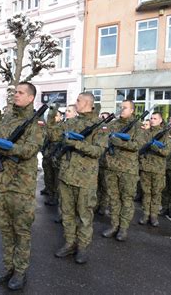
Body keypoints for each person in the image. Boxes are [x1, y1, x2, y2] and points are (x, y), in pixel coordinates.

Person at [0, 82, 43, 290]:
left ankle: (20, 271)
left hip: (21, 186)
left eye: (20, 92)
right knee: (5, 230)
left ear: (31, 98)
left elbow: (28, 151)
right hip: (1, 183)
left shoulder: (36, 123)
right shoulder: (7, 118)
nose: (15, 95)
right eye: (15, 92)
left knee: (21, 231)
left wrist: (5, 148)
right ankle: (8, 267)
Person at [51, 93, 103, 265]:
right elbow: (53, 135)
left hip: (85, 179)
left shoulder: (99, 126)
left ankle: (82, 247)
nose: (75, 103)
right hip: (66, 176)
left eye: (78, 100)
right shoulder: (72, 122)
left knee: (84, 215)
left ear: (88, 103)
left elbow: (97, 151)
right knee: (67, 213)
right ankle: (69, 243)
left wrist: (75, 143)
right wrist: (52, 114)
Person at [102, 100, 142, 242]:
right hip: (111, 167)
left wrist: (117, 141)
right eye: (120, 107)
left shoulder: (137, 126)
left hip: (128, 169)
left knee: (126, 199)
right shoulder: (113, 124)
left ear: (132, 110)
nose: (122, 110)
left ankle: (123, 228)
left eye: (125, 108)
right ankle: (114, 225)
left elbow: (137, 145)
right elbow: (103, 139)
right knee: (113, 199)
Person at [138, 112, 171, 227]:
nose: (152, 120)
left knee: (156, 193)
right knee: (146, 193)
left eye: (155, 118)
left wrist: (156, 148)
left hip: (158, 169)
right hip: (145, 168)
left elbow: (167, 152)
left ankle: (154, 216)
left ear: (160, 120)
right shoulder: (144, 133)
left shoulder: (165, 135)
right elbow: (139, 148)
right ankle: (145, 214)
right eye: (151, 118)